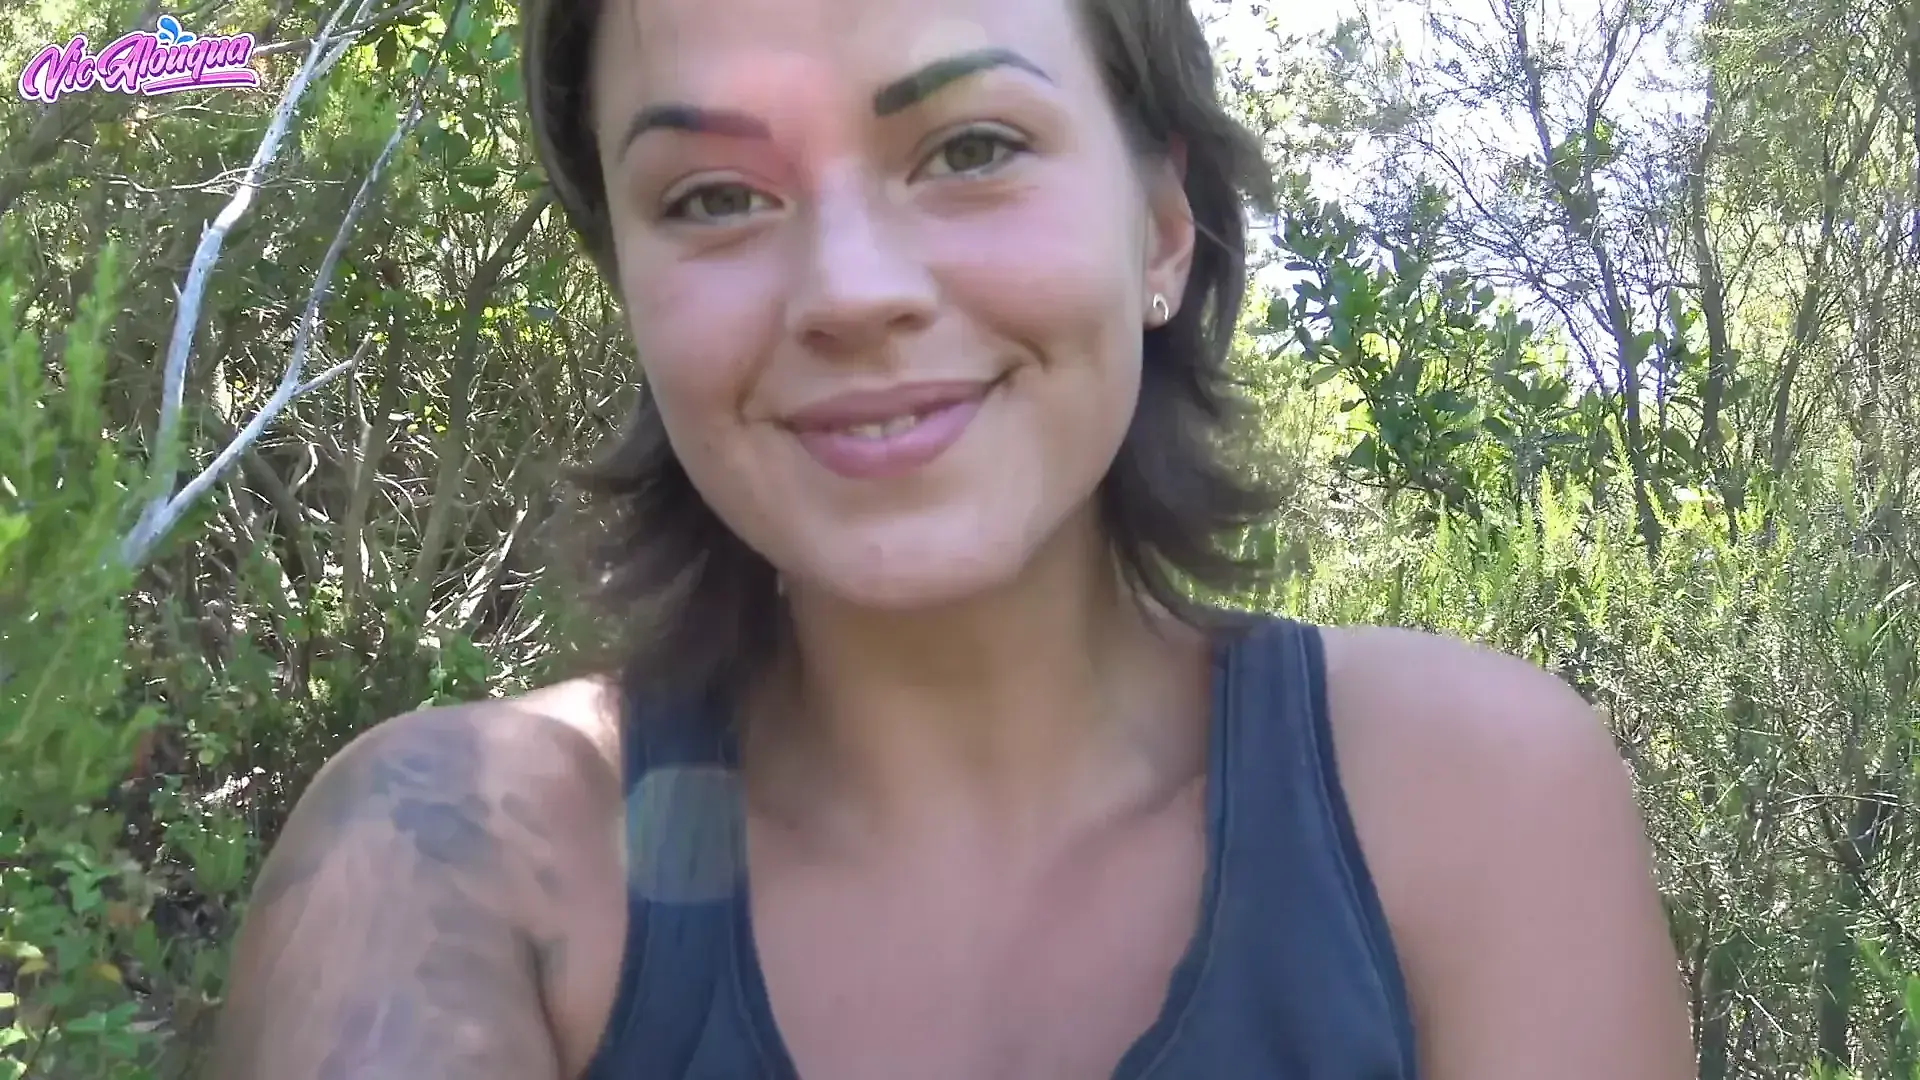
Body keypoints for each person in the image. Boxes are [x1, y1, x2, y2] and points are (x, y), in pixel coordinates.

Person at [207, 0, 1697, 1075]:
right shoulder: (454, 852)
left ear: (1162, 227)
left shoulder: (1470, 800)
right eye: (713, 197)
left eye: (972, 147)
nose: (851, 290)